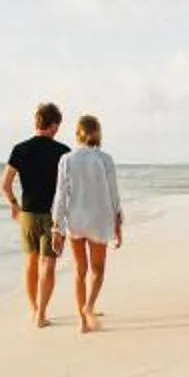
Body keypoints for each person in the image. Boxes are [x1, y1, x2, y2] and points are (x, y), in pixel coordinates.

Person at [52, 113, 124, 334]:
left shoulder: (66, 159)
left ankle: (82, 322)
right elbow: (114, 194)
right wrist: (118, 223)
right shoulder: (105, 159)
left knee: (80, 272)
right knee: (98, 270)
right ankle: (89, 307)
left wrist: (57, 227)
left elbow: (61, 195)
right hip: (99, 220)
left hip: (75, 221)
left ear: (78, 134)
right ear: (98, 133)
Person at [0, 104, 70, 328]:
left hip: (27, 214)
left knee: (30, 262)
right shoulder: (63, 152)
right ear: (53, 126)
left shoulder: (20, 149)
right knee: (48, 264)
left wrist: (14, 205)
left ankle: (33, 310)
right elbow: (69, 189)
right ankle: (41, 313)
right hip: (53, 216)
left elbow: (5, 185)